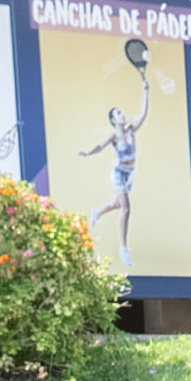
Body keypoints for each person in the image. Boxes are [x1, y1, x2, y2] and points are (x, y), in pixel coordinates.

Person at [77, 78, 149, 271]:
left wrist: (146, 92)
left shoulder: (131, 129)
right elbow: (99, 146)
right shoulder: (114, 136)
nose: (122, 115)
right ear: (113, 120)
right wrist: (87, 153)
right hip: (118, 173)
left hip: (130, 173)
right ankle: (123, 247)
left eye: (121, 112)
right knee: (126, 208)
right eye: (118, 114)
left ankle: (97, 212)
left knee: (118, 204)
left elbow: (143, 114)